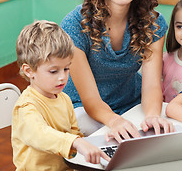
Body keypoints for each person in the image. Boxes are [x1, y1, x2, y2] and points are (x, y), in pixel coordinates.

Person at [60, 0, 174, 141]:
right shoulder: (74, 24)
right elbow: (90, 99)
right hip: (83, 109)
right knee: (112, 142)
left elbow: (151, 86)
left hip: (132, 103)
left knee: (154, 136)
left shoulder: (154, 23)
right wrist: (114, 121)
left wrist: (153, 116)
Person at [11, 20, 110, 171]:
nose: (62, 77)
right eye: (53, 71)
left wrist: (89, 145)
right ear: (29, 71)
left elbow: (74, 134)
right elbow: (40, 135)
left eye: (66, 68)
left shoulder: (64, 99)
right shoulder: (25, 107)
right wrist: (76, 142)